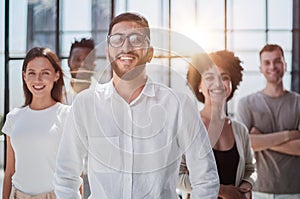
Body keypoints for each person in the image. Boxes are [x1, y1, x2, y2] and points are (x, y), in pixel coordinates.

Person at [54, 12, 219, 199]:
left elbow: (205, 179)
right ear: (108, 53)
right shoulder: (85, 105)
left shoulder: (178, 105)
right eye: (117, 39)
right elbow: (66, 177)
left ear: (150, 53)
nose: (126, 47)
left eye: (136, 39)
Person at [178, 50, 256, 199]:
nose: (218, 83)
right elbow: (177, 177)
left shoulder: (240, 130)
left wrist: (245, 188)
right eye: (209, 77)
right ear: (199, 85)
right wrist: (223, 191)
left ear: (232, 83)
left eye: (224, 77)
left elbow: (250, 169)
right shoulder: (188, 125)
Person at [2, 47, 70, 199]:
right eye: (32, 73)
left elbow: (75, 172)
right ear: (24, 76)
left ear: (56, 75)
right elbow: (9, 172)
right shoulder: (13, 118)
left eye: (45, 73)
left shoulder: (67, 115)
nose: (38, 80)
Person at [236, 44, 300, 199]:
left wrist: (261, 139)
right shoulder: (246, 103)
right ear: (260, 68)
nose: (272, 66)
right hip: (259, 191)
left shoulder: (298, 103)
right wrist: (289, 135)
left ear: (285, 64)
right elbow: (244, 145)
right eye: (267, 62)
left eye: (277, 61)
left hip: (293, 191)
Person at [66, 38, 96, 104]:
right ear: (68, 62)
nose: (82, 64)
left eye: (87, 60)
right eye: (77, 59)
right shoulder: (57, 95)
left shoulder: (103, 96)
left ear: (93, 64)